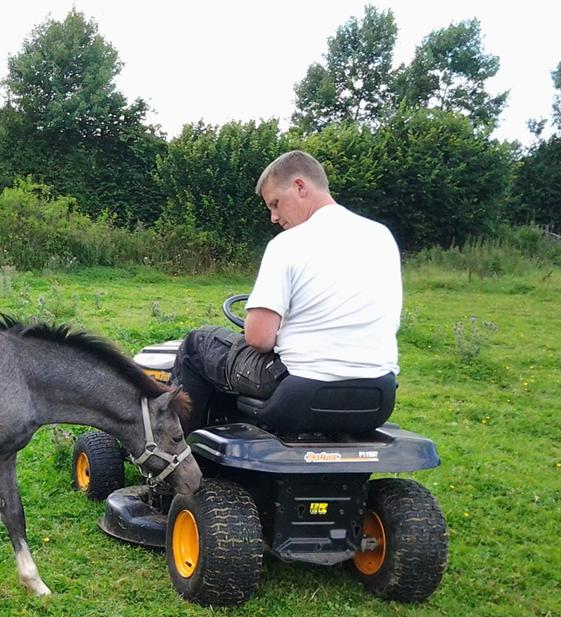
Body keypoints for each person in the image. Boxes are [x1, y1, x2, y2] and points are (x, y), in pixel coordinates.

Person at [172, 149, 403, 431]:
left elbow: (258, 338)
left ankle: (177, 451)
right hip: (377, 392)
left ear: (300, 186)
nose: (273, 216)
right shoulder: (380, 236)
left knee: (199, 343)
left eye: (276, 204)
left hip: (301, 388)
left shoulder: (288, 244)